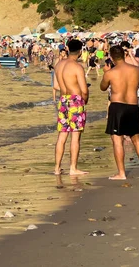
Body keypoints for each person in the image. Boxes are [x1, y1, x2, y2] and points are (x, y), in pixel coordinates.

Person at [100, 46, 139, 180]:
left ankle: (121, 173)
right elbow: (137, 82)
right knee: (137, 139)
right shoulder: (136, 70)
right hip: (133, 105)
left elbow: (103, 87)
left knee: (117, 139)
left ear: (111, 57)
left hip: (117, 106)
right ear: (123, 54)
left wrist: (106, 72)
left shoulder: (111, 72)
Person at [53, 39, 88, 176]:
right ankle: (73, 168)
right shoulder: (77, 67)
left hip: (63, 100)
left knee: (62, 135)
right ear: (80, 52)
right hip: (75, 100)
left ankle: (57, 168)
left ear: (67, 48)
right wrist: (85, 100)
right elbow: (84, 90)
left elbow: (56, 86)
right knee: (75, 136)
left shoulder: (59, 65)